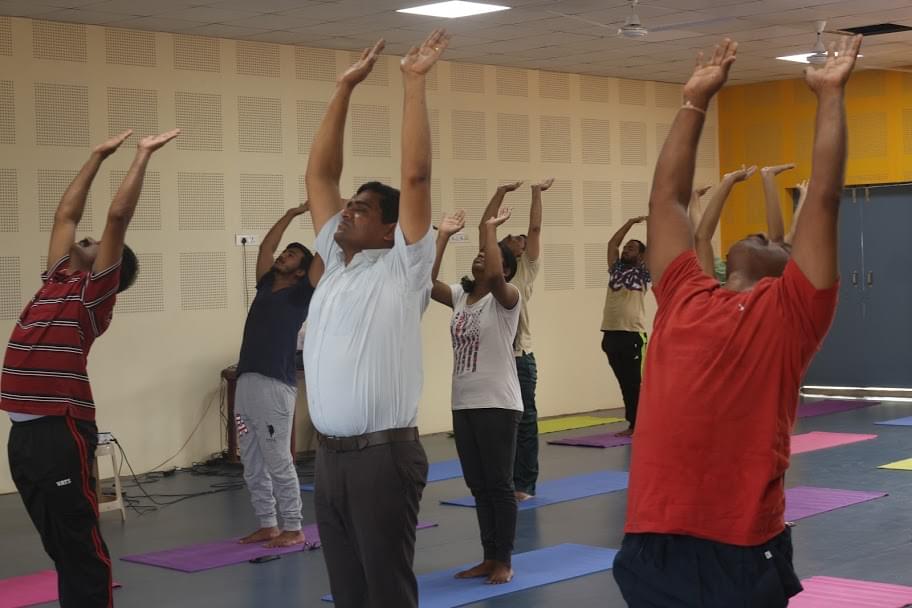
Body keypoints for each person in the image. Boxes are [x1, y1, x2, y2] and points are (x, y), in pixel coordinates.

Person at [613, 34, 862, 607]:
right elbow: (667, 201)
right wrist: (693, 103)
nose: (758, 234)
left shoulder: (792, 313)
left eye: (774, 239)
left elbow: (823, 198)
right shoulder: (684, 295)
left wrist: (829, 96)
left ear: (787, 266)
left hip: (739, 547)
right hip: (654, 539)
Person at [302, 29, 449, 608]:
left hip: (381, 458)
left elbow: (415, 177)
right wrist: (342, 91)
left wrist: (413, 84)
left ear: (390, 228)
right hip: (331, 459)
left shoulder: (404, 269)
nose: (346, 211)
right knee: (348, 593)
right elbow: (320, 177)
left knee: (386, 593)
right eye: (348, 205)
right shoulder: (336, 267)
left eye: (360, 208)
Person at [2, 128, 179, 607]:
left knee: (80, 544)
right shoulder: (57, 278)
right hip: (24, 433)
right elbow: (65, 213)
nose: (90, 238)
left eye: (99, 243)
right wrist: (96, 157)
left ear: (109, 270)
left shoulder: (92, 296)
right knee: (59, 544)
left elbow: (118, 215)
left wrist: (141, 156)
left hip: (62, 431)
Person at [432, 207, 522, 585]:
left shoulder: (507, 299)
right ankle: (488, 557)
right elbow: (423, 279)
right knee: (478, 485)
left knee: (499, 484)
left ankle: (503, 560)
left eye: (492, 255)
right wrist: (443, 237)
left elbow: (498, 274)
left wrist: (488, 228)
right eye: (482, 251)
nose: (483, 256)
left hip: (497, 403)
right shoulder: (459, 296)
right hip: (463, 402)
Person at [235, 203, 321, 548]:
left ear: (302, 271)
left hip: (274, 386)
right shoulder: (264, 285)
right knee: (251, 457)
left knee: (277, 458)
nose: (283, 256)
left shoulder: (302, 294)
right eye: (285, 252)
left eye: (292, 255)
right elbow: (266, 248)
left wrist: (323, 213)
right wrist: (291, 214)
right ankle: (268, 523)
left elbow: (325, 254)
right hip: (246, 381)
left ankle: (294, 526)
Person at [481, 178, 553, 501]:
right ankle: (503, 481)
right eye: (514, 237)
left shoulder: (525, 271)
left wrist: (536, 193)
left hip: (520, 358)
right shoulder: (489, 269)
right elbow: (486, 228)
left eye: (523, 241)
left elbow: (535, 229)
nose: (521, 240)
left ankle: (525, 484)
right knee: (498, 425)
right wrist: (500, 192)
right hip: (495, 361)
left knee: (524, 422)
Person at [691, 165, 809, 281]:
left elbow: (702, 237)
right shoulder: (766, 293)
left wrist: (728, 181)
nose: (759, 236)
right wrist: (769, 177)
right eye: (764, 243)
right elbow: (779, 240)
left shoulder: (711, 295)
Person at [600, 215, 649, 437]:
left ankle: (639, 424)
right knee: (623, 381)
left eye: (632, 248)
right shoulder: (615, 269)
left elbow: (656, 250)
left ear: (641, 255)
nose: (626, 249)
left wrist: (654, 225)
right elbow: (612, 244)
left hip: (632, 334)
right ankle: (633, 422)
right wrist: (629, 223)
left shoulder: (644, 271)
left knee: (634, 382)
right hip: (610, 332)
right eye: (626, 247)